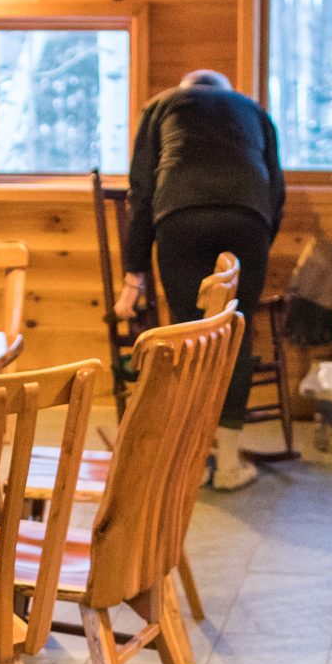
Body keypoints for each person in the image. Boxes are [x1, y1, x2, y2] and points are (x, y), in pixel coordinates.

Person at [116, 69, 283, 489]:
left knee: (188, 333)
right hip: (248, 214)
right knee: (234, 330)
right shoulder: (254, 110)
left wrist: (134, 270)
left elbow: (142, 189)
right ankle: (228, 464)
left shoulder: (160, 105)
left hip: (180, 215)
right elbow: (277, 187)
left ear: (186, 89)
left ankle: (186, 457)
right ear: (225, 95)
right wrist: (261, 233)